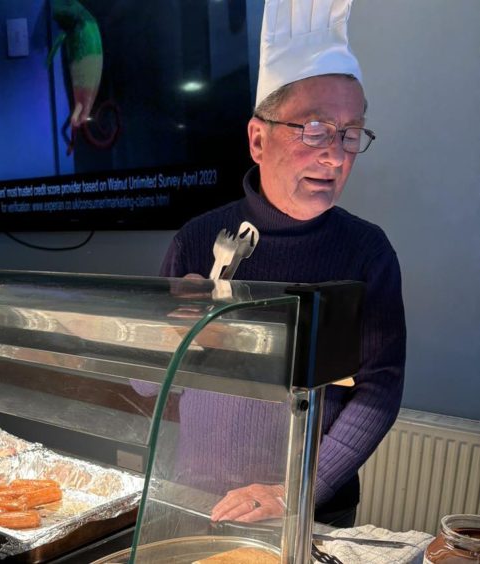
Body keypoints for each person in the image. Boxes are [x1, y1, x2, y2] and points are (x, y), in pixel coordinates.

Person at [155, 0, 406, 527]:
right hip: (199, 499)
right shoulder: (199, 239)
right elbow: (149, 381)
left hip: (311, 507)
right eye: (314, 129)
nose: (336, 155)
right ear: (258, 138)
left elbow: (378, 389)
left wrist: (300, 489)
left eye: (350, 133)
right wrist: (170, 334)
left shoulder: (367, 251)